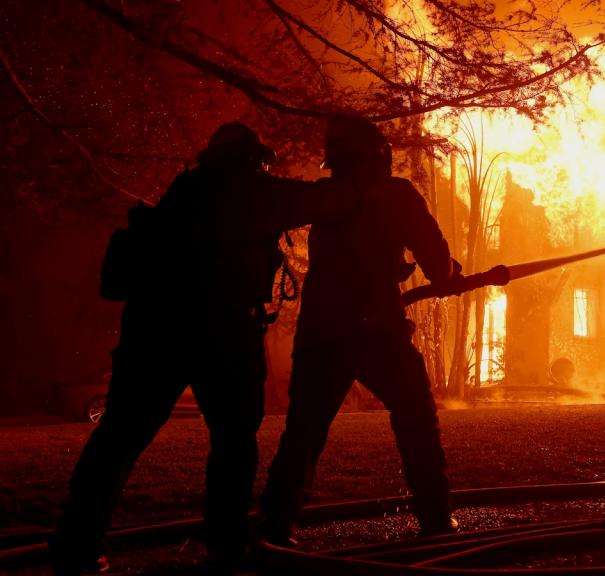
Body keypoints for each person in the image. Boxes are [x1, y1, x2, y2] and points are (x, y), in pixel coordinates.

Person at [50, 122, 354, 575]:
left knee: (118, 438)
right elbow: (327, 200)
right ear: (253, 157)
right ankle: (227, 545)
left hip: (154, 331)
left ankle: (77, 543)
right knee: (233, 442)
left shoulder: (183, 191)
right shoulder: (257, 191)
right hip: (224, 333)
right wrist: (360, 177)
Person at [259, 115, 459, 545]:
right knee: (416, 417)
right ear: (379, 155)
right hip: (377, 331)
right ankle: (436, 519)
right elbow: (438, 266)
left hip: (320, 334)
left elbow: (352, 255)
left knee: (303, 434)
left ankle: (275, 527)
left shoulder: (325, 200)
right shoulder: (397, 195)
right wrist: (448, 273)